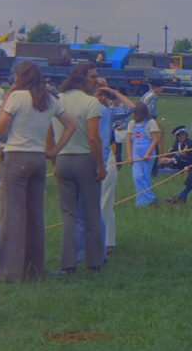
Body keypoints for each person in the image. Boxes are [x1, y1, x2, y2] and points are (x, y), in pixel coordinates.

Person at [0, 61, 76, 281]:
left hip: (17, 157)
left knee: (12, 216)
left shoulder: (17, 97)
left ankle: (8, 271)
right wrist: (54, 150)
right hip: (39, 158)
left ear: (20, 77)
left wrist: (7, 99)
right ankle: (33, 269)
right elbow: (71, 125)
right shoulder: (49, 98)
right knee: (34, 216)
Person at [51, 62, 106, 275]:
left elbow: (49, 136)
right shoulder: (91, 103)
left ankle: (68, 264)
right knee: (92, 212)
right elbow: (94, 137)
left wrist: (54, 162)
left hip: (63, 159)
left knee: (68, 215)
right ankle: (94, 261)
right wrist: (100, 166)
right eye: (93, 77)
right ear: (82, 79)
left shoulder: (57, 100)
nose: (96, 81)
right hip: (84, 159)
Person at [96, 82, 136, 257]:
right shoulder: (85, 108)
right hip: (85, 158)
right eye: (100, 93)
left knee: (105, 202)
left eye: (105, 94)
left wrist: (113, 91)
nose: (103, 97)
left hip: (106, 159)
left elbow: (132, 107)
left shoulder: (108, 112)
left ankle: (107, 242)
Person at [126, 102, 159, 207]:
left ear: (144, 114)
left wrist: (148, 153)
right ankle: (151, 198)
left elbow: (155, 139)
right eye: (134, 115)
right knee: (137, 177)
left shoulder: (151, 122)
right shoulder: (132, 124)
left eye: (138, 115)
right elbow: (129, 141)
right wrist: (130, 156)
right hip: (136, 153)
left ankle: (142, 203)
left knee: (145, 177)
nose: (135, 117)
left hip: (148, 153)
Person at [164, 124, 192, 206]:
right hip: (181, 166)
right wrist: (168, 159)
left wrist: (175, 159)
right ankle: (182, 196)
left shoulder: (189, 143)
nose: (181, 137)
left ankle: (182, 196)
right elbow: (172, 153)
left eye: (183, 134)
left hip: (185, 167)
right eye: (179, 135)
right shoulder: (178, 144)